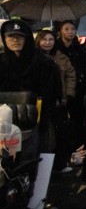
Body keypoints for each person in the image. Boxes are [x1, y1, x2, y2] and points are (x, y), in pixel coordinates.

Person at [0, 21, 61, 158]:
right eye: (11, 36)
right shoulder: (1, 61)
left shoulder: (44, 62)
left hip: (37, 119)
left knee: (36, 154)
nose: (15, 40)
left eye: (20, 36)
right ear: (4, 38)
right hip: (5, 120)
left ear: (27, 38)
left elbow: (52, 93)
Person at [35, 29, 77, 173]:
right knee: (42, 136)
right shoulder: (33, 58)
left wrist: (67, 96)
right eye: (44, 39)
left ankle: (60, 164)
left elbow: (71, 76)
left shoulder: (61, 57)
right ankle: (41, 169)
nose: (47, 42)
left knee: (60, 135)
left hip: (60, 102)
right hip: (40, 104)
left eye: (51, 39)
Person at [55, 20, 86, 148]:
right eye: (66, 29)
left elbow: (84, 66)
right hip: (60, 87)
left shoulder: (80, 47)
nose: (70, 32)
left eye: (72, 29)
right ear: (61, 31)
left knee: (78, 117)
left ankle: (78, 145)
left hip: (78, 87)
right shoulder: (55, 48)